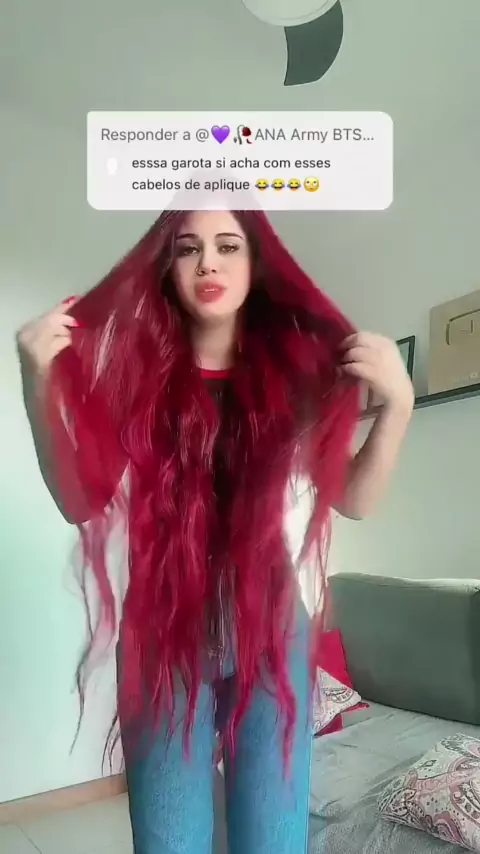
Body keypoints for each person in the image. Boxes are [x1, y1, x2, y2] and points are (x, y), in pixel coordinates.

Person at [16, 208, 413, 854]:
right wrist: (36, 381)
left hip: (272, 627)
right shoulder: (133, 378)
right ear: (166, 267)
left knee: (274, 840)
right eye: (188, 248)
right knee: (169, 841)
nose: (208, 263)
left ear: (256, 264)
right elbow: (78, 502)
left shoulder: (291, 376)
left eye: (228, 246)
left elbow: (355, 500)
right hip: (163, 629)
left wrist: (398, 405)